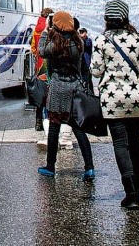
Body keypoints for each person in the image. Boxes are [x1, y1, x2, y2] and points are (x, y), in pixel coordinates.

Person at [90, 0, 139, 209]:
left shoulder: (102, 41)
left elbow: (95, 70)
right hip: (136, 98)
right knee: (135, 143)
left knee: (120, 144)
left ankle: (130, 194)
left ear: (107, 19)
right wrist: (137, 79)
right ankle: (137, 188)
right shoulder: (137, 39)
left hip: (112, 100)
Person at [36, 11, 96, 182]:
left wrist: (46, 32)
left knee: (54, 128)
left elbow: (41, 51)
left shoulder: (54, 44)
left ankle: (50, 166)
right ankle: (89, 167)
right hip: (74, 88)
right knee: (78, 129)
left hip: (57, 89)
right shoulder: (78, 43)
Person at [30, 7, 54, 131]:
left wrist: (38, 56)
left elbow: (33, 47)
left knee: (40, 93)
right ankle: (50, 121)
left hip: (39, 65)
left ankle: (38, 122)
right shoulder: (52, 29)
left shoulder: (36, 29)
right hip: (50, 64)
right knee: (51, 93)